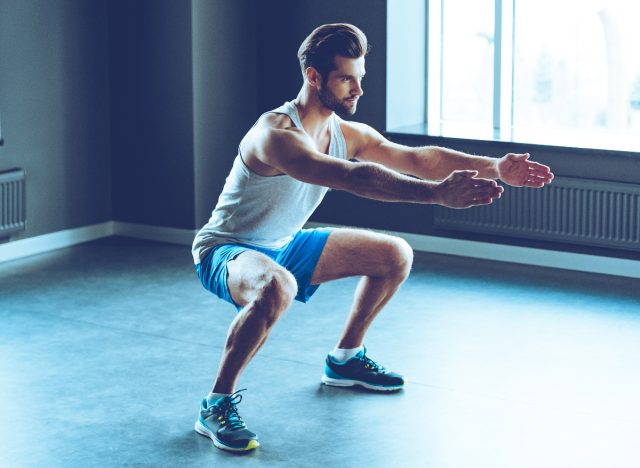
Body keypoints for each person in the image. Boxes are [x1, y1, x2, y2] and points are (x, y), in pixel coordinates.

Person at [191, 23, 554, 452]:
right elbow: (351, 177)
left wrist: (495, 167)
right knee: (277, 284)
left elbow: (417, 158)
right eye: (346, 78)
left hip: (285, 242)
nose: (357, 90)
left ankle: (345, 360)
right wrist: (437, 195)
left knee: (394, 254)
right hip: (228, 249)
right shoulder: (275, 135)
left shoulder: (347, 133)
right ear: (314, 77)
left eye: (359, 79)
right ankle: (215, 404)